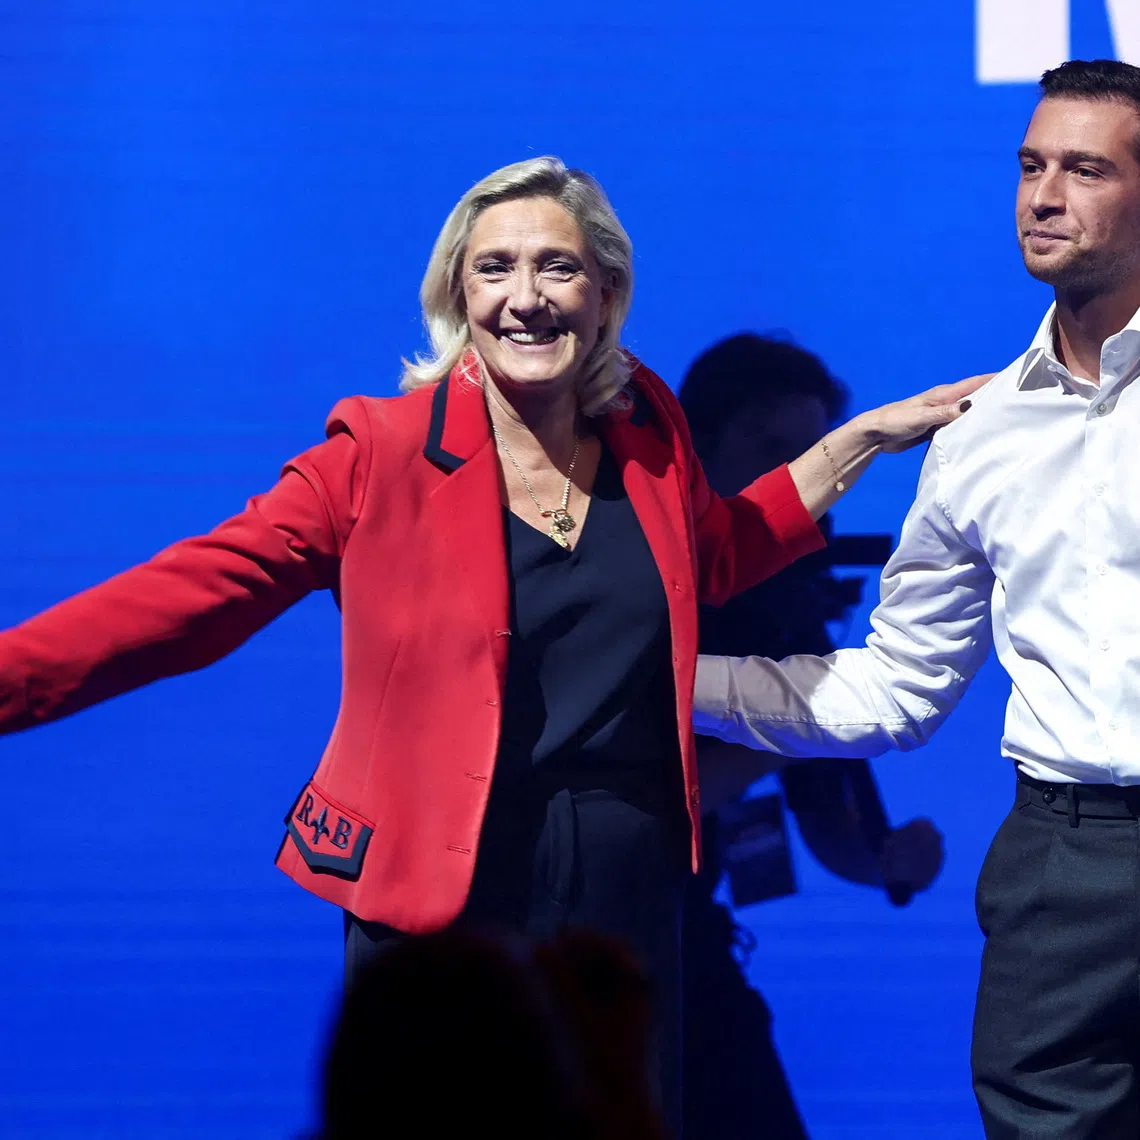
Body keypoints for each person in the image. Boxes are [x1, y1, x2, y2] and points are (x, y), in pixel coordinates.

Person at [0, 155, 982, 1132]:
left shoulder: (647, 426)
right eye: (495, 269)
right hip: (444, 900)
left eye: (557, 267)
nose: (527, 298)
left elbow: (717, 554)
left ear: (606, 293)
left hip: (625, 898)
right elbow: (188, 598)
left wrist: (864, 438)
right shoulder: (377, 454)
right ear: (456, 295)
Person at [692, 60, 1140, 1139]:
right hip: (1066, 860)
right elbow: (895, 688)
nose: (1044, 196)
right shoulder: (979, 435)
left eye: (1085, 170)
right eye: (1030, 166)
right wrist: (651, 668)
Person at [677, 334, 945, 1140]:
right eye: (771, 449)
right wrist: (795, 729)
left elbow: (820, 801)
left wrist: (878, 861)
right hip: (571, 949)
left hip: (685, 945)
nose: (800, 480)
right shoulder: (630, 580)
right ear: (696, 446)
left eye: (815, 455)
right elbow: (641, 791)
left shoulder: (784, 600)